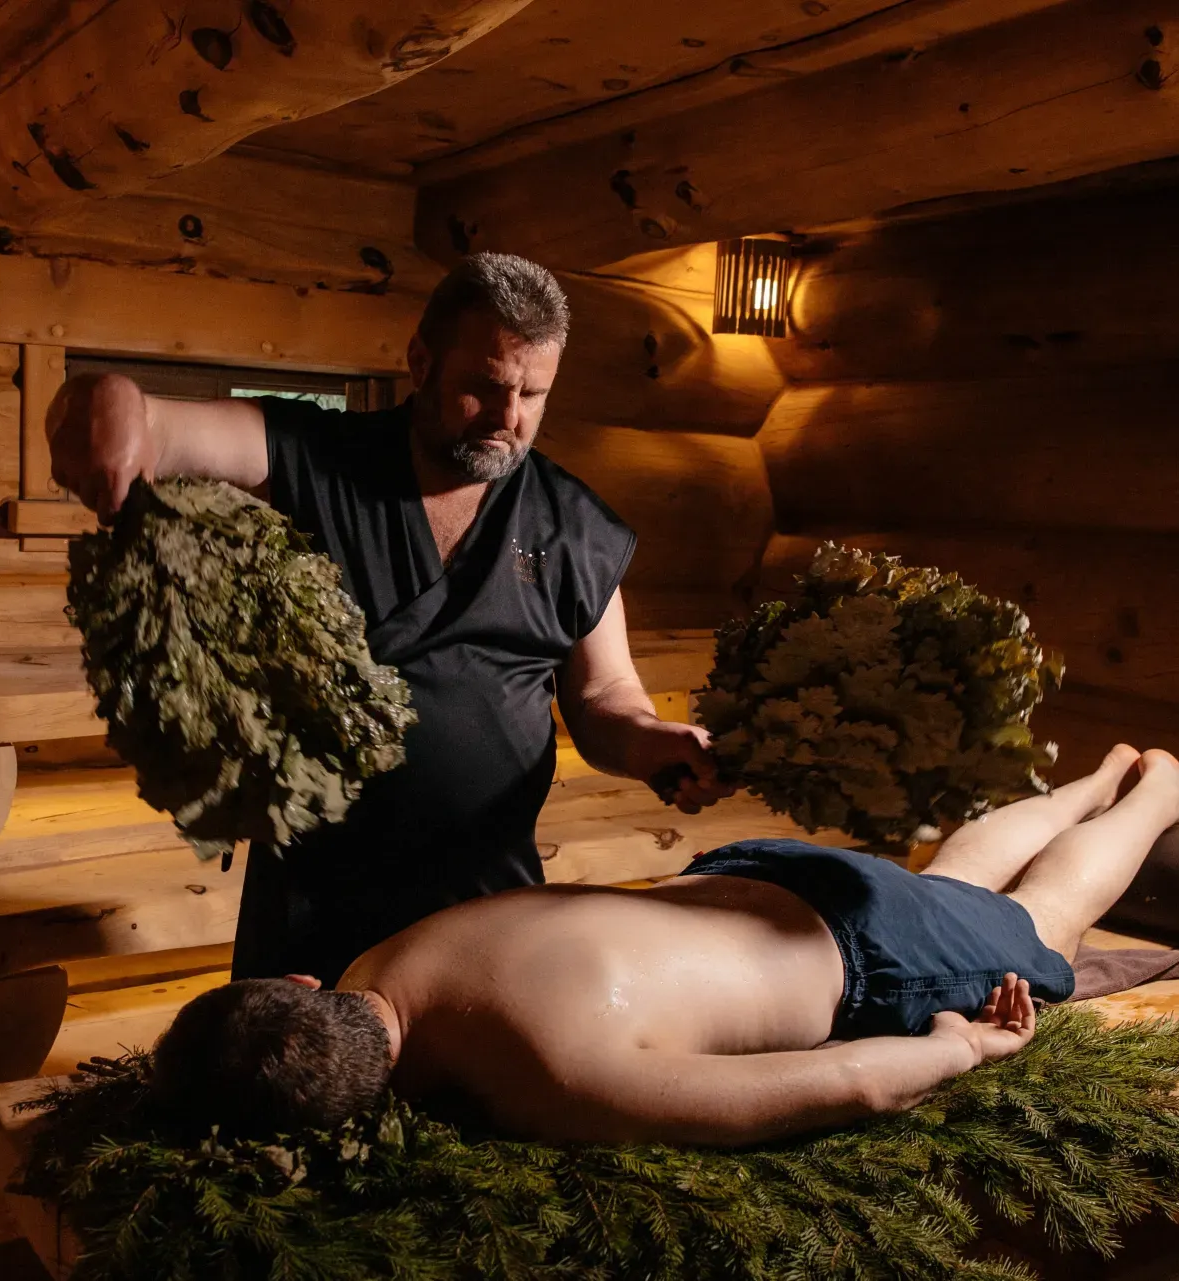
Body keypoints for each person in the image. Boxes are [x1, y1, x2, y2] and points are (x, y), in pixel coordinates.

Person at [45, 253, 734, 987]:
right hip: (312, 916)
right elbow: (149, 423)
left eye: (533, 394)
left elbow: (602, 697)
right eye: (483, 386)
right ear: (421, 361)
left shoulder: (574, 526)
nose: (509, 418)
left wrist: (651, 741)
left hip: (487, 915)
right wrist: (108, 406)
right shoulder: (318, 456)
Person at [150, 747, 1179, 1147]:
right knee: (952, 881)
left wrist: (962, 1048)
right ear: (297, 982)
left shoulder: (553, 1080)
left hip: (857, 950)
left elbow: (852, 1080)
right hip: (745, 879)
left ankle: (1156, 790)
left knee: (1042, 924)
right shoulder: (369, 962)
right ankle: (1095, 777)